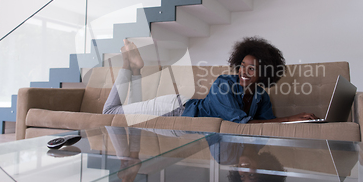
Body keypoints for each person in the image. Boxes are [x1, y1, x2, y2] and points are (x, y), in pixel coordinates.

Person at [103, 36, 318, 123]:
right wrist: (292, 118)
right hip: (175, 110)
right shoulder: (224, 84)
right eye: (243, 66)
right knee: (110, 114)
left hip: (180, 114)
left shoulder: (261, 96)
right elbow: (244, 124)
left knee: (128, 115)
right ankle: (127, 65)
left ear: (264, 73)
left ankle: (136, 69)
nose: (244, 72)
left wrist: (301, 121)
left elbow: (267, 126)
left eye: (251, 69)